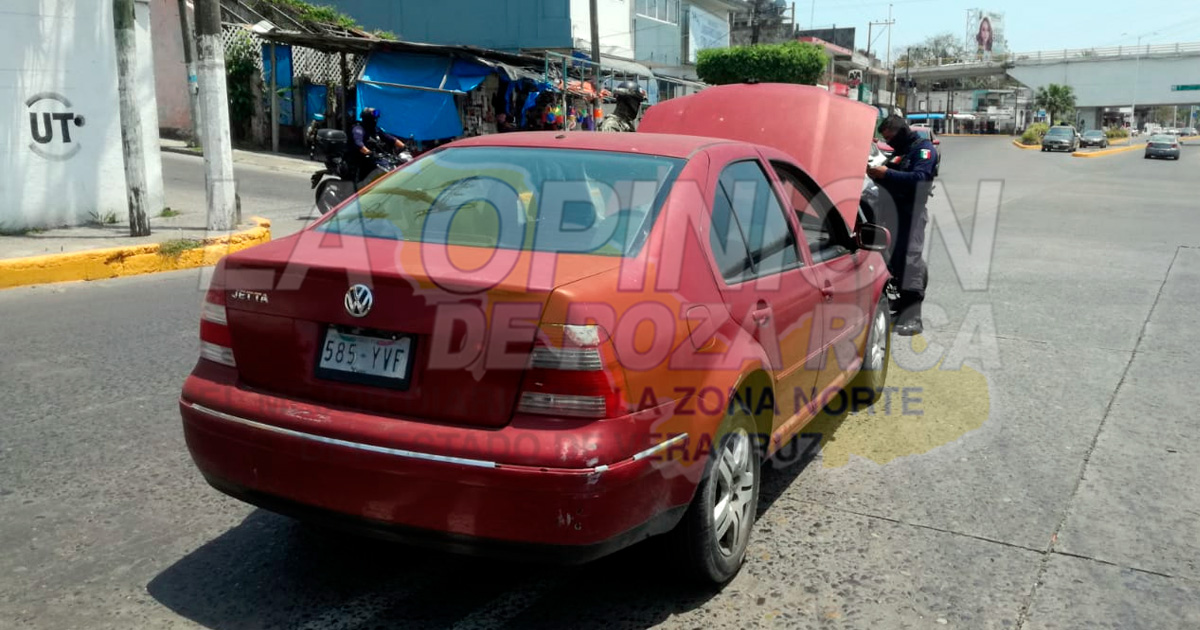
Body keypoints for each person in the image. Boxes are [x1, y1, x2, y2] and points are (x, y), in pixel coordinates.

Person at [867, 115, 938, 336]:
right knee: (895, 261)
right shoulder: (902, 152)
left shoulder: (923, 150)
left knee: (910, 260)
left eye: (890, 138)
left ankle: (914, 317)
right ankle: (900, 308)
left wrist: (887, 173)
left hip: (912, 213)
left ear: (900, 131)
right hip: (893, 213)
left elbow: (920, 178)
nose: (890, 143)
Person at [349, 107, 405, 181]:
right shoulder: (358, 129)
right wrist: (368, 152)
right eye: (373, 119)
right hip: (361, 160)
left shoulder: (375, 129)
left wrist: (404, 147)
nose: (375, 121)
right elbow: (358, 143)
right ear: (368, 119)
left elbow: (391, 139)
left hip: (375, 158)